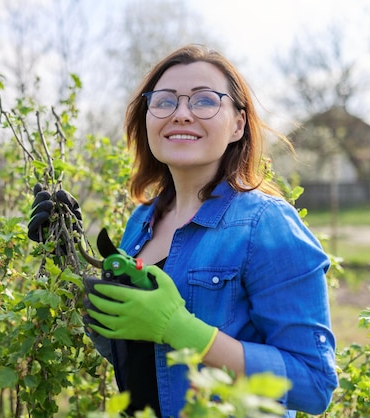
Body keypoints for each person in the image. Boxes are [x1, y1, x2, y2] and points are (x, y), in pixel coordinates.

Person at [28, 44, 338, 417]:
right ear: (147, 118)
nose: (182, 114)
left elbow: (314, 384)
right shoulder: (142, 221)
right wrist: (64, 258)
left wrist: (183, 331)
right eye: (165, 101)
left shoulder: (266, 225)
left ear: (238, 123)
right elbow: (133, 352)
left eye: (205, 101)